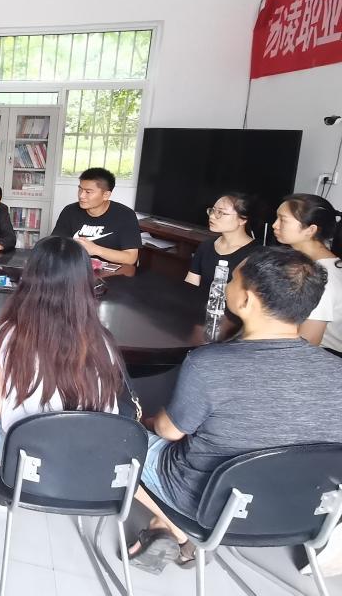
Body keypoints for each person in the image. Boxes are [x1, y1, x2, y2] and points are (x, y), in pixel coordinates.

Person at [128, 247, 342, 573]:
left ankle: (178, 529)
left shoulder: (209, 364)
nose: (227, 285)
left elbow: (168, 431)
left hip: (206, 502)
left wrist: (146, 418)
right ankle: (163, 528)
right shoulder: (336, 371)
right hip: (299, 508)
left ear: (246, 301)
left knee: (118, 435)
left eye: (233, 280)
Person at [0, 236, 123, 464]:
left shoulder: (6, 335)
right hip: (87, 460)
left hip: (26, 462)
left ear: (30, 276)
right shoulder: (103, 342)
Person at [272, 193, 342, 356]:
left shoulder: (320, 276)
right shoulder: (305, 262)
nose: (275, 225)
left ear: (310, 230)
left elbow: (308, 343)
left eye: (283, 220)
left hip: (323, 358)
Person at [51, 167, 141, 265]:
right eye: (80, 189)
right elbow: (55, 245)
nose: (81, 196)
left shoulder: (125, 215)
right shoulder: (70, 211)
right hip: (76, 268)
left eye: (88, 192)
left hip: (112, 271)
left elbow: (130, 258)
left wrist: (96, 250)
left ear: (106, 195)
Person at [184, 192, 260, 290]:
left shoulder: (256, 254)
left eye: (220, 212)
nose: (212, 216)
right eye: (212, 210)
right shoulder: (206, 246)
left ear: (243, 220)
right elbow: (190, 286)